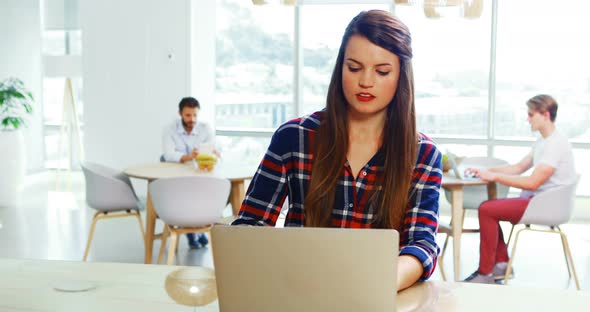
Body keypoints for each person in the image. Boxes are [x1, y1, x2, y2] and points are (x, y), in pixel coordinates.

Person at [232, 10, 442, 291]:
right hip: (298, 293)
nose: (366, 81)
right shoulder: (294, 138)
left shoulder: (423, 154)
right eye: (354, 68)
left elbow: (422, 244)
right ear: (340, 68)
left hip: (377, 298)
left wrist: (379, 283)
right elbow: (250, 225)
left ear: (401, 76)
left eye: (382, 71)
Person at [464, 94, 576, 284]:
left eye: (531, 114)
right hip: (539, 200)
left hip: (546, 205)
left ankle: (486, 272)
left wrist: (495, 176)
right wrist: (486, 170)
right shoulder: (543, 141)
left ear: (545, 115)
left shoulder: (556, 144)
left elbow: (533, 182)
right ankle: (499, 265)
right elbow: (518, 168)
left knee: (486, 209)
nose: (528, 119)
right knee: (489, 208)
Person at [162, 96, 215, 249]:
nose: (192, 119)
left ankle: (197, 229)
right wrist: (188, 157)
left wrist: (212, 154)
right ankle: (194, 232)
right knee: (184, 193)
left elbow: (212, 149)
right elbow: (168, 155)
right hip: (176, 172)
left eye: (195, 115)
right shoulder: (169, 129)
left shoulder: (205, 128)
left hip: (199, 172)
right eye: (188, 115)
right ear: (180, 114)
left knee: (201, 194)